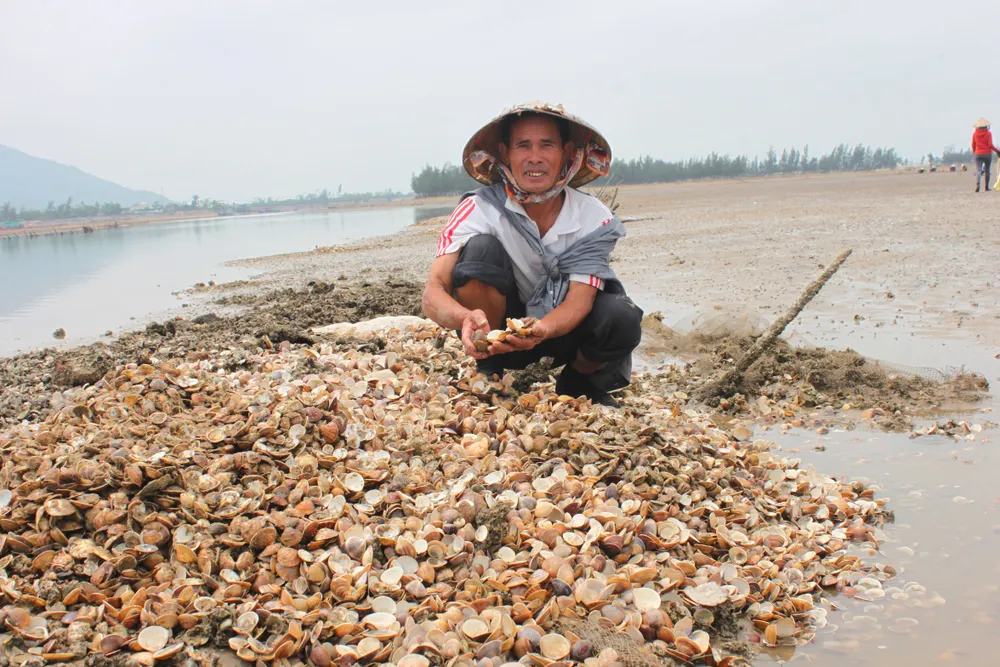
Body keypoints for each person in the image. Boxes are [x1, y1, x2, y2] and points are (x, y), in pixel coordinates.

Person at [421, 102, 643, 406]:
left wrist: (541, 329)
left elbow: (580, 300)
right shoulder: (478, 208)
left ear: (567, 152)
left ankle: (578, 380)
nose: (534, 158)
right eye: (523, 146)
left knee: (622, 317)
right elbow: (434, 290)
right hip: (498, 332)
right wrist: (467, 318)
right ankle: (490, 365)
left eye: (546, 145)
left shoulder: (594, 218)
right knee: (481, 250)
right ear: (505, 153)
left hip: (561, 331)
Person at [972, 118, 1000, 192]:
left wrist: (975, 152)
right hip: (987, 154)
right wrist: (997, 151)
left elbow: (973, 145)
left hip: (978, 154)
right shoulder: (988, 133)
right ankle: (986, 187)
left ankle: (978, 184)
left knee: (978, 170)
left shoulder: (974, 134)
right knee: (987, 170)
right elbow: (990, 145)